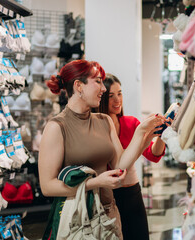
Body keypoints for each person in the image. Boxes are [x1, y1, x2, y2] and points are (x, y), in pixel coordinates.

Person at [38, 60, 166, 239]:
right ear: (79, 86)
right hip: (79, 219)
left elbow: (120, 165)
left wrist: (142, 133)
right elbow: (47, 186)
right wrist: (95, 183)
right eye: (98, 81)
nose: (103, 89)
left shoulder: (104, 121)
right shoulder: (57, 127)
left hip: (109, 215)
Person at [96, 73, 167, 240]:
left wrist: (162, 135)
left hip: (131, 193)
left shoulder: (131, 123)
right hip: (106, 196)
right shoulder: (97, 127)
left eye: (120, 93)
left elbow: (154, 155)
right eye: (111, 96)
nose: (117, 100)